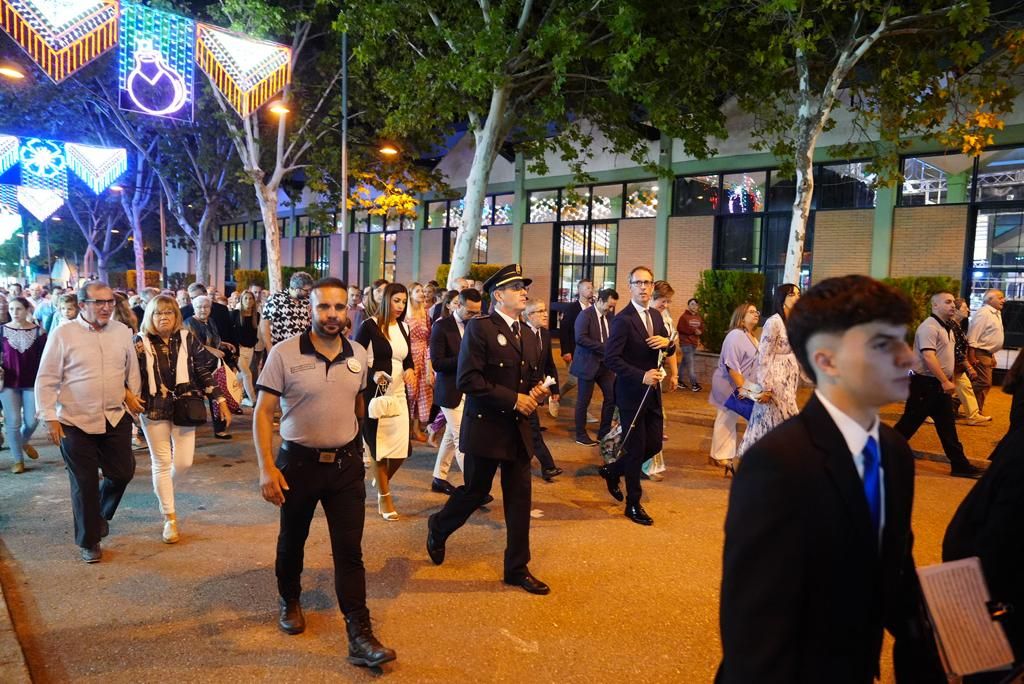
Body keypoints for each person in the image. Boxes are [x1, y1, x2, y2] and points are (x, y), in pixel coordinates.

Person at [717, 275, 945, 683]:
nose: (906, 358)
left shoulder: (893, 452)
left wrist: (926, 646)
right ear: (825, 361)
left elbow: (893, 562)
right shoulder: (776, 463)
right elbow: (752, 623)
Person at [254, 277, 396, 669]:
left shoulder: (356, 354)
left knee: (350, 551)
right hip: (297, 465)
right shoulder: (284, 354)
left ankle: (359, 634)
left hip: (346, 467)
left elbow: (357, 405)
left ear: (346, 310)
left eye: (338, 307)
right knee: (293, 538)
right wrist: (267, 467)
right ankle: (290, 600)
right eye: (323, 307)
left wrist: (366, 453)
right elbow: (263, 415)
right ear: (311, 309)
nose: (332, 315)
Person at [426, 264, 552, 595]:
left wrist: (538, 392)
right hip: (487, 427)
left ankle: (516, 568)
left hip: (518, 429)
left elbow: (532, 379)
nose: (524, 292)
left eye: (524, 287)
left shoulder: (527, 333)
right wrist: (514, 399)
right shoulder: (480, 329)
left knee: (519, 499)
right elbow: (469, 379)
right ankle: (439, 526)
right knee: (475, 491)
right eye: (517, 288)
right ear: (498, 295)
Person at [35, 281, 143, 563]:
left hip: (114, 416)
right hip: (74, 420)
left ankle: (97, 516)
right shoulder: (63, 334)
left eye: (110, 301)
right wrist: (49, 417)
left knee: (122, 473)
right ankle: (90, 540)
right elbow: (46, 379)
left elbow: (131, 370)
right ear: (83, 305)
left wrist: (132, 398)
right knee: (84, 482)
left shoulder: (122, 332)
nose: (107, 307)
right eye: (99, 302)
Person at [135, 296, 227, 544]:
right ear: (150, 317)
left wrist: (218, 399)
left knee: (184, 462)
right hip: (153, 405)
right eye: (157, 313)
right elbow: (131, 375)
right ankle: (170, 518)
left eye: (168, 313)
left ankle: (164, 491)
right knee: (162, 462)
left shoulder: (187, 338)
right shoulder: (139, 342)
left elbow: (201, 370)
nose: (163, 317)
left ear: (176, 315)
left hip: (186, 403)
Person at [599, 267, 674, 525]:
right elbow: (611, 358)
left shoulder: (655, 314)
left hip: (653, 394)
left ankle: (612, 470)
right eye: (638, 282)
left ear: (652, 287)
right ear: (629, 286)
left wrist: (669, 344)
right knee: (636, 448)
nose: (643, 287)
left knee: (655, 445)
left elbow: (665, 346)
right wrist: (640, 375)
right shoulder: (623, 319)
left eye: (647, 283)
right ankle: (633, 504)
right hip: (631, 393)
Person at [894, 291, 983, 479]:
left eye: (953, 302)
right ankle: (876, 458)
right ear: (935, 306)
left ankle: (960, 465)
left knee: (947, 428)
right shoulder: (929, 327)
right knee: (907, 426)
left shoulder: (948, 327)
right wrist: (945, 381)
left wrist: (947, 379)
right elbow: (928, 356)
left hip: (938, 385)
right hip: (925, 384)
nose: (953, 305)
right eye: (948, 302)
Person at [355, 283, 414, 521]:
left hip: (399, 392)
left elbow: (407, 359)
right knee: (379, 447)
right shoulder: (368, 326)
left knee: (401, 450)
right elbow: (355, 358)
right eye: (396, 300)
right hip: (376, 393)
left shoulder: (404, 327)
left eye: (403, 301)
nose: (400, 306)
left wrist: (410, 370)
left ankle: (381, 480)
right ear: (385, 300)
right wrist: (372, 374)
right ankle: (384, 497)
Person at [738, 284, 802, 457]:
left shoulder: (793, 322)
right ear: (782, 299)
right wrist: (765, 386)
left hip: (789, 380)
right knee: (787, 421)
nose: (797, 297)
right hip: (775, 381)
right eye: (792, 294)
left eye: (798, 293)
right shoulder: (773, 322)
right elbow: (764, 356)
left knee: (767, 424)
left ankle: (759, 461)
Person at [428, 288, 482, 495]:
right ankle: (474, 488)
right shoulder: (441, 327)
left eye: (477, 312)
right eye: (470, 312)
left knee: (451, 437)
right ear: (457, 304)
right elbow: (438, 363)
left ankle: (439, 479)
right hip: (449, 391)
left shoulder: (476, 325)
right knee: (463, 438)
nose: (474, 316)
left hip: (470, 389)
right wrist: (464, 359)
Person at [709, 303, 762, 473]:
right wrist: (743, 388)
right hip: (730, 384)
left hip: (742, 385)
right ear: (741, 316)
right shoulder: (736, 335)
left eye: (757, 312)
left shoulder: (751, 336)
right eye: (751, 312)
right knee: (727, 417)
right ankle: (722, 457)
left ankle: (724, 457)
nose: (756, 314)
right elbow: (732, 364)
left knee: (728, 418)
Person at [2, 297, 47, 473]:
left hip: (32, 382)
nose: (14, 312)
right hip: (7, 383)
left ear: (27, 309)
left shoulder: (39, 332)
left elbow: (46, 357)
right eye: (11, 309)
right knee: (12, 421)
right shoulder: (1, 331)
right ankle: (18, 460)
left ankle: (22, 441)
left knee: (32, 420)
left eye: (18, 308)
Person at [570, 288, 618, 446]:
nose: (610, 310)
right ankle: (580, 434)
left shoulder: (610, 316)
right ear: (599, 301)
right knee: (584, 400)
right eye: (609, 306)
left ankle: (603, 432)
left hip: (605, 366)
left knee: (611, 397)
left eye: (613, 307)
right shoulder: (585, 315)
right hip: (587, 364)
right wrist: (605, 348)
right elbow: (580, 338)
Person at [185, 295, 236, 439]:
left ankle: (220, 430)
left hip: (213, 366)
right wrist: (212, 350)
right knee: (195, 400)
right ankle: (188, 432)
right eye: (199, 307)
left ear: (210, 308)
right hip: (197, 368)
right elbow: (193, 345)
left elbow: (214, 339)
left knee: (217, 398)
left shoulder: (211, 321)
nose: (202, 310)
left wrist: (223, 344)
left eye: (206, 307)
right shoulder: (189, 323)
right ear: (194, 308)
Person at [523, 298, 563, 481]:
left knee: (524, 429)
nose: (546, 314)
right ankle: (548, 466)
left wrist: (555, 389)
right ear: (528, 316)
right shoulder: (521, 334)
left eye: (545, 310)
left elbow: (549, 364)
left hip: (538, 389)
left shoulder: (545, 335)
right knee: (533, 429)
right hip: (523, 392)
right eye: (540, 311)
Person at [951, 297, 990, 426]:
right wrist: (968, 366)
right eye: (964, 307)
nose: (968, 309)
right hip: (951, 365)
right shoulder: (952, 326)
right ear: (956, 310)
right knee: (939, 391)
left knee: (966, 387)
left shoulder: (956, 326)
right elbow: (957, 350)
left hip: (956, 365)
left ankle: (973, 415)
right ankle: (928, 414)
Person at [558, 278, 595, 404]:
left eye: (591, 288)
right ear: (579, 290)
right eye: (587, 288)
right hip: (574, 350)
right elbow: (564, 330)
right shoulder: (572, 308)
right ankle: (582, 411)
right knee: (575, 381)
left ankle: (558, 394)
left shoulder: (594, 309)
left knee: (579, 381)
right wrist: (566, 351)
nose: (591, 290)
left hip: (590, 353)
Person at [406, 282, 434, 442]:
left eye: (422, 291)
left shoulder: (426, 314)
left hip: (424, 356)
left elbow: (429, 338)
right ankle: (407, 428)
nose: (422, 293)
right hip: (410, 355)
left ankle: (416, 428)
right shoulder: (405, 315)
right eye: (418, 291)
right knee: (410, 392)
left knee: (422, 393)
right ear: (410, 294)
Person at [261, 272, 314, 350]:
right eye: (306, 290)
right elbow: (264, 325)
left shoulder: (308, 300)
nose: (309, 292)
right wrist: (269, 348)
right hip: (281, 349)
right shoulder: (275, 299)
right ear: (297, 289)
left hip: (303, 349)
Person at [232, 290, 261, 406]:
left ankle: (232, 397)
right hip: (238, 350)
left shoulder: (256, 316)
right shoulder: (235, 314)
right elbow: (232, 332)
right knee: (247, 374)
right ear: (241, 300)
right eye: (246, 298)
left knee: (240, 376)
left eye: (250, 298)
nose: (248, 301)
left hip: (250, 349)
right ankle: (254, 401)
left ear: (254, 301)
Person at [676, 298, 704, 391]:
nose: (694, 306)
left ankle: (679, 381)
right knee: (691, 364)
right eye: (692, 304)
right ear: (688, 306)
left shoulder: (698, 317)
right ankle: (694, 385)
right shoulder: (684, 317)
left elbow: (701, 328)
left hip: (694, 343)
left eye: (696, 305)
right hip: (686, 343)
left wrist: (700, 331)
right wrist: (693, 331)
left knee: (684, 363)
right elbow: (680, 328)